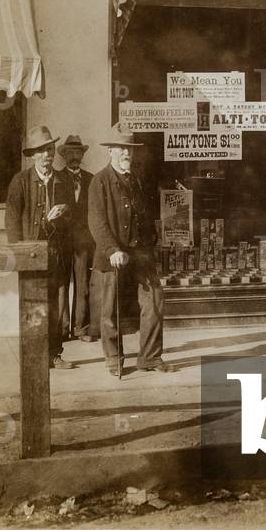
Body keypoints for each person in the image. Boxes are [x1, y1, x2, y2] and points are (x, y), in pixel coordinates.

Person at [88, 124, 173, 375]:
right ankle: (114, 359)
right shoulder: (99, 181)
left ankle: (150, 357)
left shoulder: (136, 179)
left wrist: (151, 240)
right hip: (112, 254)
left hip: (140, 252)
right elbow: (96, 221)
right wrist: (111, 249)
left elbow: (144, 214)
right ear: (110, 151)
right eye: (121, 149)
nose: (126, 153)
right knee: (109, 309)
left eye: (130, 149)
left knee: (154, 301)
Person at [5, 125, 75, 369]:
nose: (48, 154)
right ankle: (34, 356)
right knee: (32, 305)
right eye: (42, 150)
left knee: (55, 305)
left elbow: (74, 217)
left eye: (50, 149)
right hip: (30, 254)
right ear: (33, 155)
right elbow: (12, 221)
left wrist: (65, 212)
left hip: (56, 253)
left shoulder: (63, 180)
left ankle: (54, 354)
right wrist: (19, 255)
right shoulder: (20, 181)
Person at [57, 134, 95, 342]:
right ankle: (62, 329)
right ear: (63, 156)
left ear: (82, 155)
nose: (74, 156)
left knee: (83, 284)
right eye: (70, 152)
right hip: (62, 240)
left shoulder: (91, 179)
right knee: (61, 284)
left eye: (78, 152)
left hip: (84, 240)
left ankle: (81, 328)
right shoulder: (56, 178)